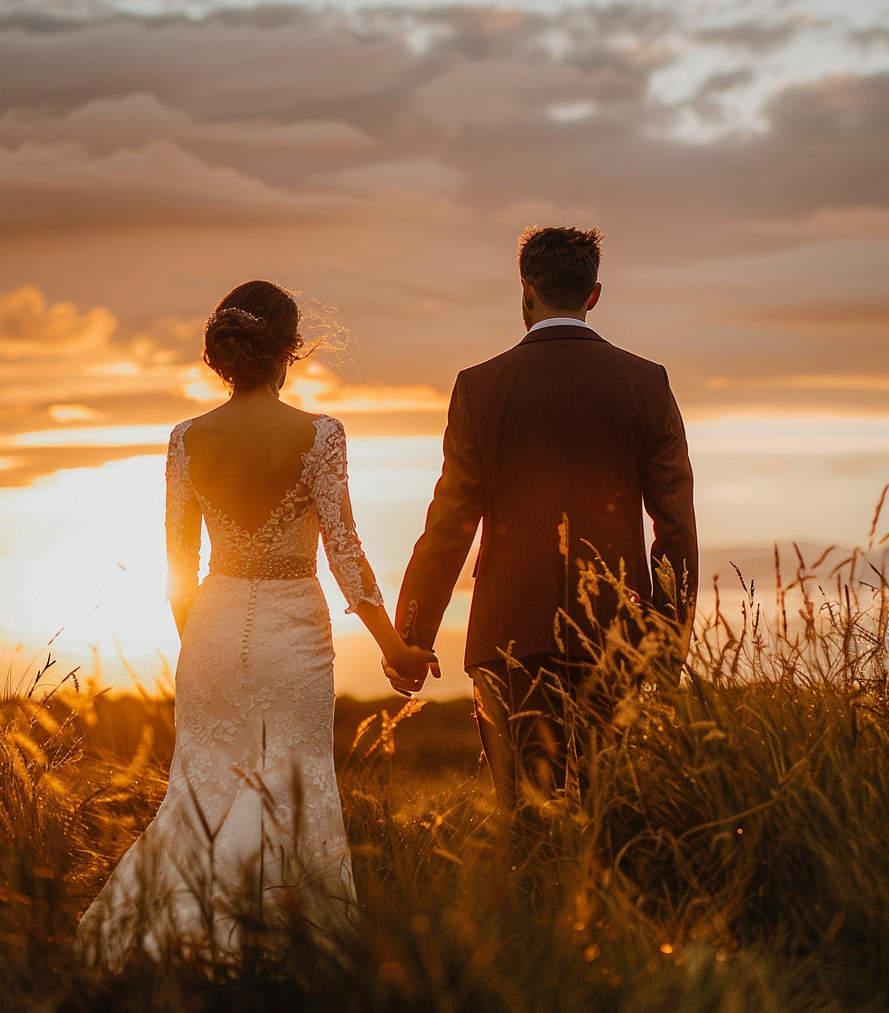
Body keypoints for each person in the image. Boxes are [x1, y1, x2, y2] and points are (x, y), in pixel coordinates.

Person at [76, 280, 437, 966]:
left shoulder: (187, 440)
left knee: (204, 781)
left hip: (210, 629)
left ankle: (181, 940)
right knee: (294, 783)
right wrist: (398, 649)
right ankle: (286, 953)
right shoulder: (320, 435)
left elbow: (178, 567)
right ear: (290, 350)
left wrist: (201, 642)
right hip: (292, 631)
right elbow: (346, 555)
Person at [386, 226, 698, 808]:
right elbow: (675, 524)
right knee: (613, 817)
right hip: (618, 637)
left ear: (525, 291)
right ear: (594, 294)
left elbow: (451, 520)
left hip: (510, 637)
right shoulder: (646, 383)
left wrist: (412, 635)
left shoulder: (479, 387)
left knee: (523, 818)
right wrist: (667, 644)